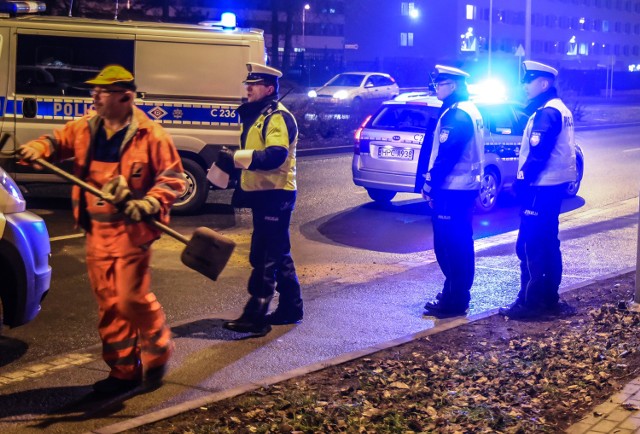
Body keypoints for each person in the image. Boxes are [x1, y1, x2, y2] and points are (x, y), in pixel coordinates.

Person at [19, 65, 186, 395]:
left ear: (125, 96)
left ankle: (159, 349)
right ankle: (124, 371)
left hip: (132, 234)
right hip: (97, 233)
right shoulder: (85, 128)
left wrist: (149, 203)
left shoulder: (151, 136)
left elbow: (173, 179)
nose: (94, 96)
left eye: (102, 92)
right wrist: (37, 149)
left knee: (130, 298)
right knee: (109, 302)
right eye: (94, 91)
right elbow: (55, 141)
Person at [218, 63, 302, 336]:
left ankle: (256, 317)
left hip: (275, 194)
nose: (249, 88)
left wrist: (238, 158)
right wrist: (231, 162)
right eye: (247, 84)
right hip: (266, 194)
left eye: (254, 84)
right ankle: (291, 307)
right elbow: (257, 153)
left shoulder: (276, 116)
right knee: (278, 252)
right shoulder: (260, 115)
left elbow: (276, 155)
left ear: (268, 88)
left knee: (264, 256)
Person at [499, 61, 577, 319]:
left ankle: (530, 304)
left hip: (540, 187)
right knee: (548, 243)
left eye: (528, 81)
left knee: (530, 246)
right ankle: (548, 299)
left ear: (543, 83)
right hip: (552, 188)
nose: (523, 85)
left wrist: (520, 183)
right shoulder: (560, 109)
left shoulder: (547, 112)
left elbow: (537, 154)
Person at [421, 65, 484, 319]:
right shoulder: (466, 110)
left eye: (442, 83)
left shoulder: (457, 115)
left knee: (449, 246)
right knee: (459, 244)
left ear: (454, 85)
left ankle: (455, 299)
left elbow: (446, 157)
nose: (438, 87)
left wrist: (430, 185)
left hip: (453, 189)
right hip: (462, 188)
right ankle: (453, 292)